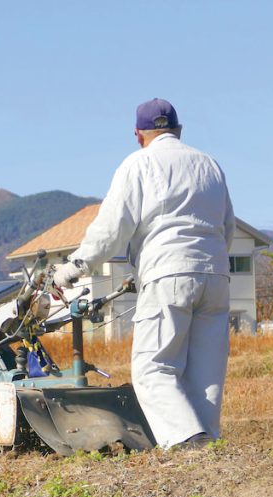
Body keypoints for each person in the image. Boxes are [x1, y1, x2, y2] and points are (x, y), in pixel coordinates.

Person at [53, 98, 235, 449]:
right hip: (216, 274)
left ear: (138, 135)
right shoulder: (209, 165)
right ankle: (207, 444)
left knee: (153, 368)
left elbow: (111, 229)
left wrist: (76, 267)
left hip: (168, 272)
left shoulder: (139, 163)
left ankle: (187, 440)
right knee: (206, 372)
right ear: (179, 130)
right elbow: (226, 225)